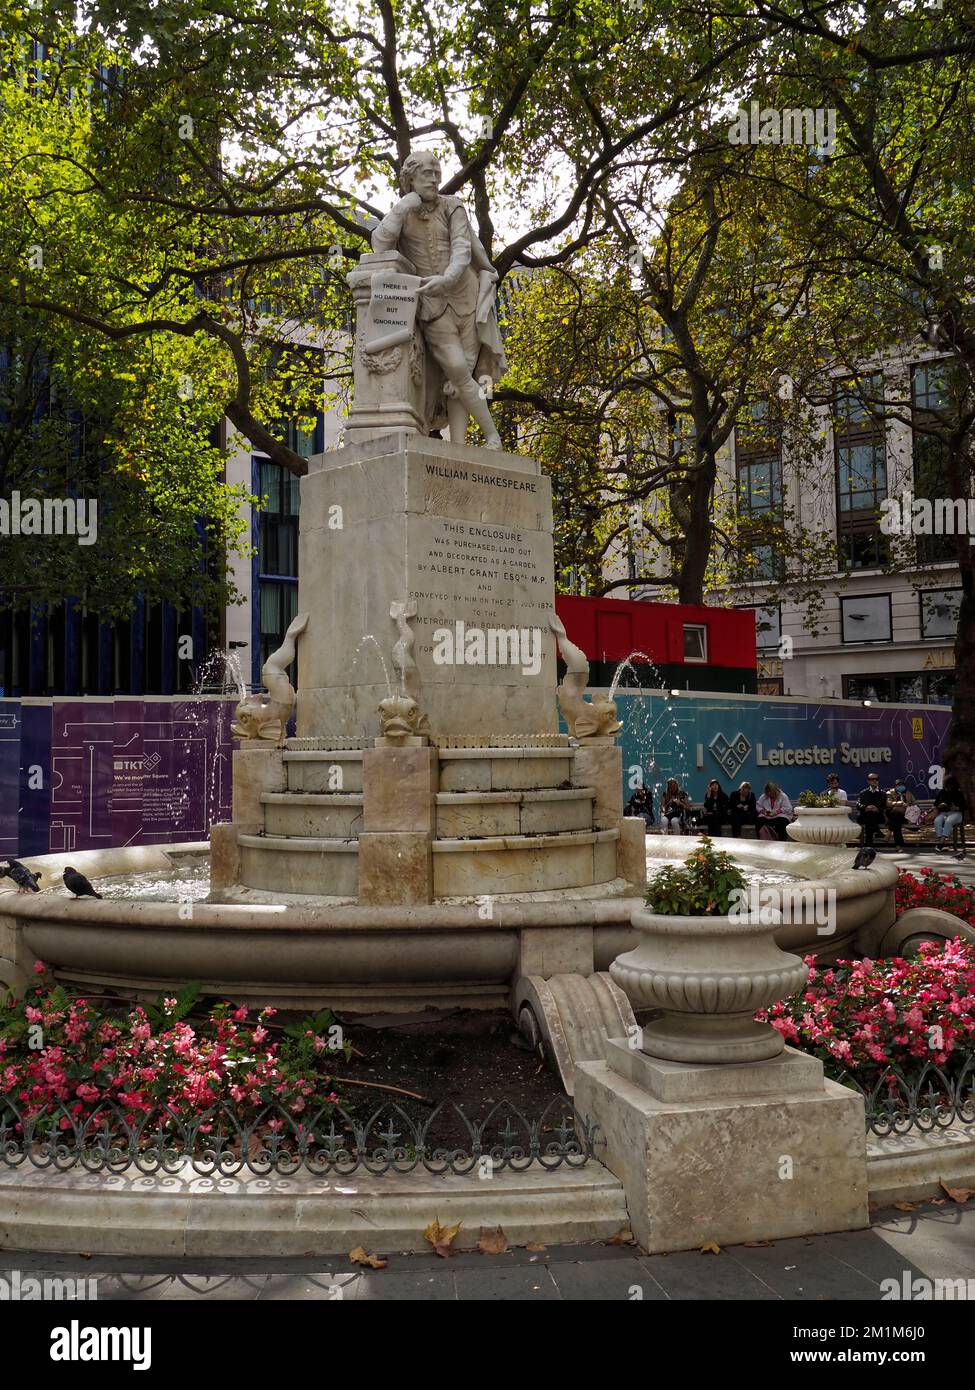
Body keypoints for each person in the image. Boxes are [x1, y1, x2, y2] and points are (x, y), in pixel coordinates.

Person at [370, 151, 507, 448]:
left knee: (461, 376)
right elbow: (379, 243)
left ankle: (459, 445)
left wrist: (447, 279)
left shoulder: (453, 206)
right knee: (457, 369)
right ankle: (492, 435)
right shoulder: (404, 211)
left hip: (467, 297)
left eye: (437, 173)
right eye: (426, 174)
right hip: (432, 307)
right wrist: (404, 204)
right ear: (410, 179)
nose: (434, 179)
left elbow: (462, 249)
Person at [932, 774, 967, 850]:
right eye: (946, 786)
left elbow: (965, 806)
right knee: (937, 820)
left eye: (949, 786)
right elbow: (935, 804)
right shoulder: (941, 792)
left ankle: (941, 843)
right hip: (943, 813)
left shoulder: (959, 793)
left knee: (949, 821)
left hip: (957, 814)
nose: (947, 788)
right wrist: (939, 806)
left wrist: (957, 808)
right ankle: (942, 843)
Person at [855, 772, 888, 847]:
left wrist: (877, 809)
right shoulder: (863, 793)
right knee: (869, 815)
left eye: (876, 779)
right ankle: (876, 831)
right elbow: (858, 804)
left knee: (871, 816)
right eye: (872, 779)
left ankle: (868, 844)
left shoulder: (882, 793)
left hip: (878, 817)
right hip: (865, 816)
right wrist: (866, 808)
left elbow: (884, 806)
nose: (875, 781)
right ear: (868, 781)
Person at [885, 781, 909, 849]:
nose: (901, 787)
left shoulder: (908, 793)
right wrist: (899, 803)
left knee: (895, 822)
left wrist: (908, 805)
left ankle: (890, 831)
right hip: (891, 813)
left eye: (902, 785)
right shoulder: (889, 793)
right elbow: (888, 803)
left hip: (903, 816)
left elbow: (913, 803)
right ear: (895, 786)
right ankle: (899, 844)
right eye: (899, 785)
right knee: (896, 814)